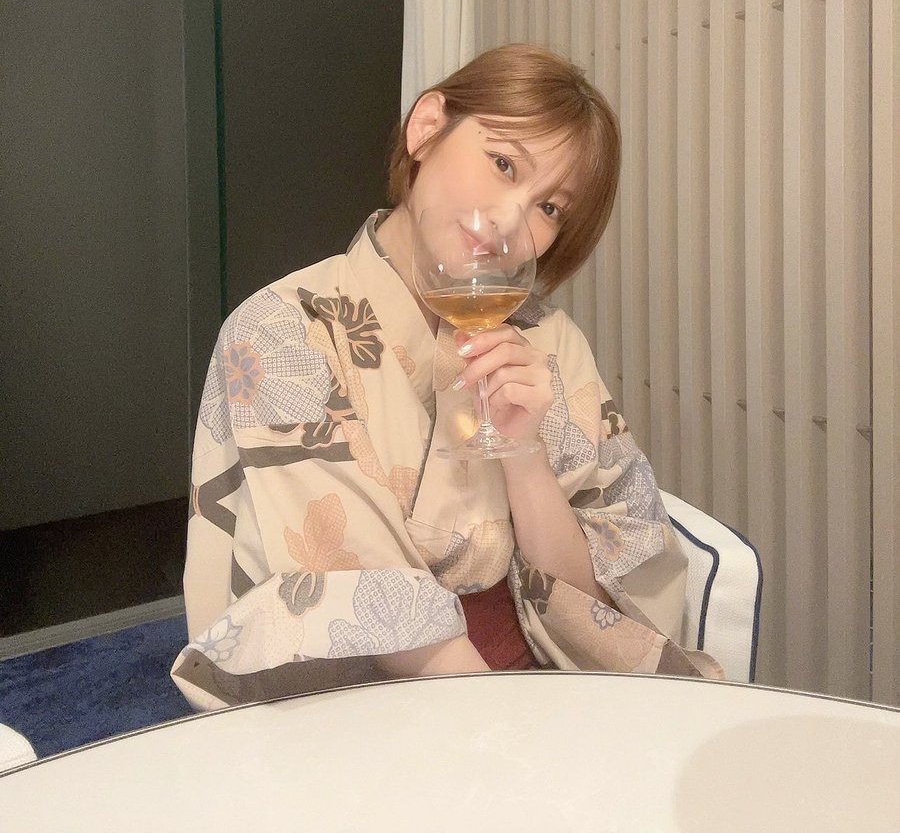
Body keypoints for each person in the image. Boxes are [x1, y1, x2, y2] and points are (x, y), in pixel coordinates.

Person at [171, 44, 721, 709]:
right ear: (428, 127)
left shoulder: (549, 342)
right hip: (368, 703)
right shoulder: (283, 331)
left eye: (550, 208)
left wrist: (524, 455)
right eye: (503, 163)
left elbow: (600, 593)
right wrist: (507, 733)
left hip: (545, 677)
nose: (513, 220)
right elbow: (358, 601)